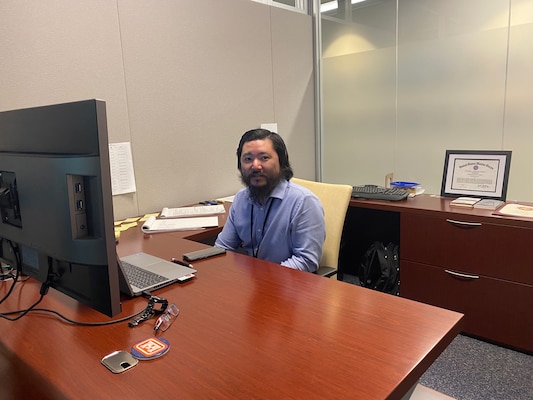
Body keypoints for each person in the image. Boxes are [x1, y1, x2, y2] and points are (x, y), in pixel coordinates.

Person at [215, 129, 325, 273]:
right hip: (252, 285)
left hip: (290, 286)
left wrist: (266, 280)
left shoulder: (303, 202)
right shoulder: (241, 199)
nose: (255, 166)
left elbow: (306, 261)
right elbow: (223, 247)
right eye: (247, 159)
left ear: (281, 161)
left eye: (264, 158)